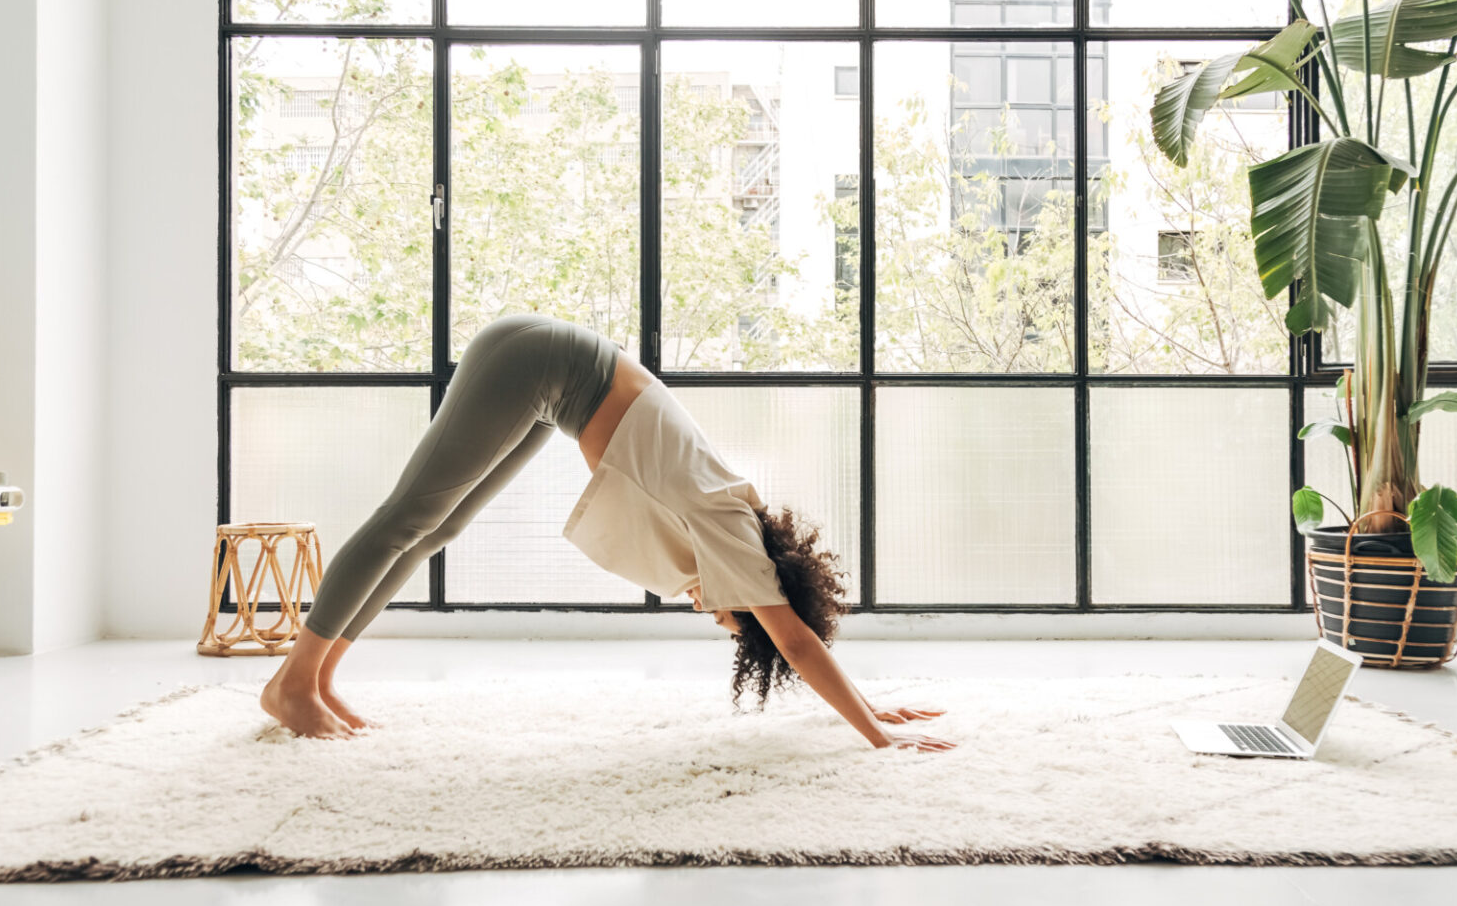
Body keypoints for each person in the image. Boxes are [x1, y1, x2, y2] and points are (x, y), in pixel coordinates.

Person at [260, 313, 953, 752]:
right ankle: (293, 683)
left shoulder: (733, 530)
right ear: (759, 591)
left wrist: (867, 704)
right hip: (537, 363)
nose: (715, 614)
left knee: (437, 529)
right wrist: (877, 735)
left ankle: (316, 678)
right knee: (406, 517)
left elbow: (794, 636)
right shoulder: (734, 538)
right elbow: (796, 643)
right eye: (732, 621)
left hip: (553, 377)